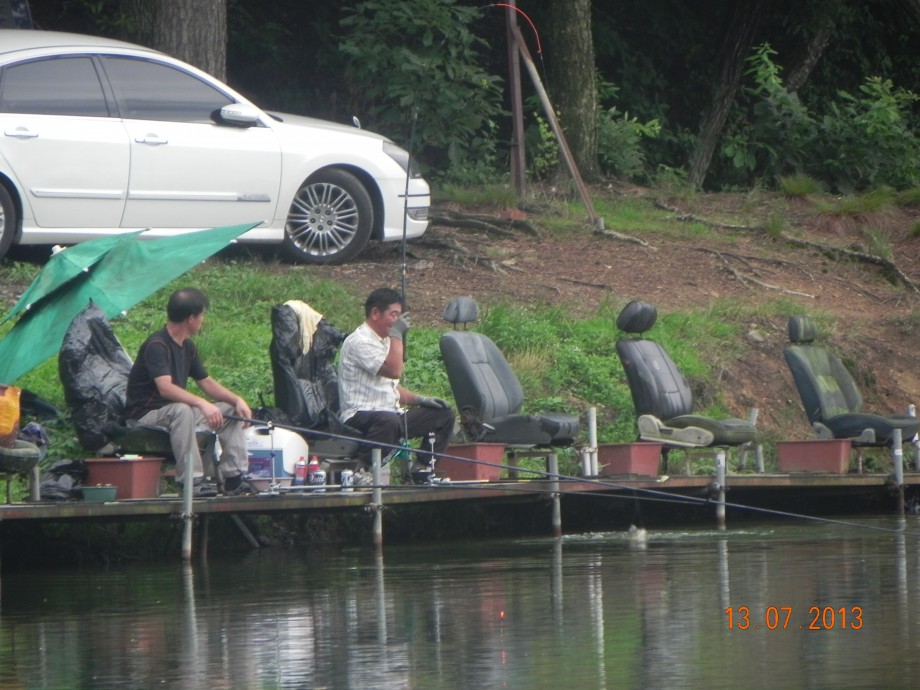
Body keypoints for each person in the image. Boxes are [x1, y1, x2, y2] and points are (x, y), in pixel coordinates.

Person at [125, 287, 252, 497]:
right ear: (191, 319)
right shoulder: (157, 345)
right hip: (145, 415)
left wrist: (236, 400)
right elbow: (165, 388)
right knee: (182, 410)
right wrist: (202, 403)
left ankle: (234, 477)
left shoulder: (188, 347)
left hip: (176, 413)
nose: (203, 320)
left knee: (229, 409)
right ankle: (192, 481)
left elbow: (206, 382)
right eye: (202, 315)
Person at [338, 287, 455, 483]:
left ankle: (423, 468)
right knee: (388, 420)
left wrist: (421, 400)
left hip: (389, 415)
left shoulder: (384, 342)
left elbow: (391, 387)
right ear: (375, 313)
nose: (398, 321)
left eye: (400, 316)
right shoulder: (359, 341)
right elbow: (394, 371)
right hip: (358, 415)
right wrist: (397, 335)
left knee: (443, 414)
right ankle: (361, 470)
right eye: (394, 315)